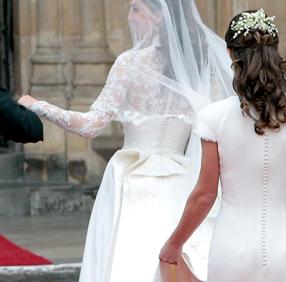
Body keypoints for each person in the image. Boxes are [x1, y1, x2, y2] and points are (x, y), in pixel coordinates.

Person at [18, 0, 234, 281]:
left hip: (132, 181)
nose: (129, 17)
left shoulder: (130, 64)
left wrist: (37, 105)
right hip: (181, 180)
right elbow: (220, 125)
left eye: (136, 9)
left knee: (130, 256)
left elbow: (90, 126)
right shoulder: (201, 67)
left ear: (158, 17)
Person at [159, 9, 286, 282]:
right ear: (275, 53)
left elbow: (204, 195)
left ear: (231, 54)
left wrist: (175, 243)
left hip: (230, 246)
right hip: (284, 247)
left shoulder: (213, 117)